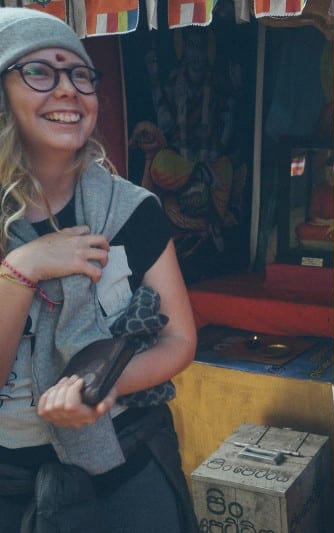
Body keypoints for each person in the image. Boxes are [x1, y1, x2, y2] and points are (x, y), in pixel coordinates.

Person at [0, 8, 198, 532]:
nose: (67, 89)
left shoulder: (133, 210)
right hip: (10, 482)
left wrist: (102, 388)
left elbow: (179, 340)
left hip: (127, 463)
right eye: (38, 71)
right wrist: (22, 269)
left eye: (79, 73)